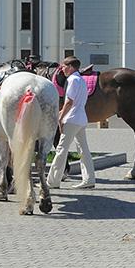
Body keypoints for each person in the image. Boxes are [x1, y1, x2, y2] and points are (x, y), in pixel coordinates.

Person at [47, 57, 97, 190]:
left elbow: (69, 102)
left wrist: (60, 117)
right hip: (81, 118)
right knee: (83, 150)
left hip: (71, 119)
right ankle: (89, 179)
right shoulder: (81, 80)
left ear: (70, 67)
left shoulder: (72, 80)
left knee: (61, 149)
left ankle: (52, 181)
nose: (62, 69)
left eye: (63, 66)